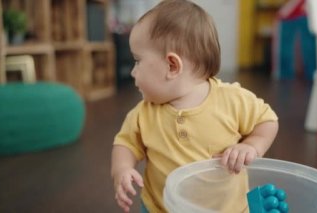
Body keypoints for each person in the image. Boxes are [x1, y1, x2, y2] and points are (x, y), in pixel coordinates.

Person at [111, 0, 279, 212]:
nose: (133, 72)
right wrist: (122, 169)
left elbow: (267, 120)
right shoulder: (143, 113)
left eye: (138, 61)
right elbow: (125, 143)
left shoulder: (233, 99)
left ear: (172, 66)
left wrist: (252, 145)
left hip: (227, 208)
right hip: (161, 207)